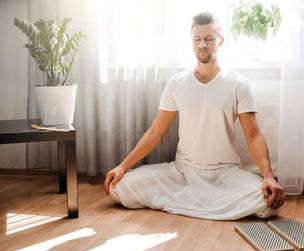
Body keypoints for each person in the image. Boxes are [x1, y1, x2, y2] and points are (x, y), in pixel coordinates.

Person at [104, 12, 285, 220]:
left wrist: (268, 176)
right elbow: (155, 132)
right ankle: (208, 204)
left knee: (270, 204)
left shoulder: (238, 83)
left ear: (221, 40)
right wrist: (122, 166)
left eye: (209, 39)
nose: (203, 45)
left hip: (225, 174)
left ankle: (186, 202)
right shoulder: (177, 83)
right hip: (183, 172)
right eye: (197, 39)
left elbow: (253, 134)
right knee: (119, 187)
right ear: (191, 42)